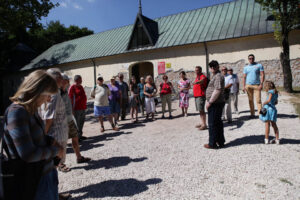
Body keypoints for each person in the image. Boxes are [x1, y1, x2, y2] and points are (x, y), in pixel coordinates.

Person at [3, 70, 63, 200]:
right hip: (34, 180)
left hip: (45, 174)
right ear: (36, 90)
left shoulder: (30, 109)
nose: (48, 99)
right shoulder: (17, 112)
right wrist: (56, 150)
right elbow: (27, 154)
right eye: (47, 95)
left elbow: (36, 136)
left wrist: (51, 140)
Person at [40, 68, 70, 175]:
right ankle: (54, 191)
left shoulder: (50, 92)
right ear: (55, 79)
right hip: (56, 135)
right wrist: (42, 137)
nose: (63, 80)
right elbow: (48, 119)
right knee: (53, 166)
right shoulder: (54, 94)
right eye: (60, 78)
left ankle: (54, 191)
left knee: (54, 166)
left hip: (56, 134)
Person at [61, 74, 91, 164]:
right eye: (66, 80)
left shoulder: (65, 90)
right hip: (62, 120)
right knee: (63, 141)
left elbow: (69, 102)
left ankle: (79, 157)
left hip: (69, 118)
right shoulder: (57, 92)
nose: (69, 82)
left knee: (75, 137)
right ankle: (61, 163)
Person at [204, 60, 225, 149]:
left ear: (217, 66)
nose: (212, 68)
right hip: (216, 103)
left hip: (216, 103)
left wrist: (210, 102)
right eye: (211, 66)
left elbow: (217, 90)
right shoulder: (216, 76)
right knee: (217, 122)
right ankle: (220, 141)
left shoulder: (218, 76)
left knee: (212, 123)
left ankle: (212, 143)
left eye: (214, 66)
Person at [68, 75, 87, 141]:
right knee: (77, 123)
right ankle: (76, 138)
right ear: (77, 80)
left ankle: (80, 135)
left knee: (81, 122)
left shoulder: (81, 86)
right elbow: (70, 98)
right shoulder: (72, 87)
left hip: (83, 107)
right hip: (76, 109)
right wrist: (71, 109)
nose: (81, 81)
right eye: (80, 79)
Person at [193, 66, 208, 130]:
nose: (196, 71)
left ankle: (204, 124)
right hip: (197, 96)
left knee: (202, 110)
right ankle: (202, 123)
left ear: (200, 70)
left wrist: (196, 82)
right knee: (200, 110)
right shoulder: (197, 77)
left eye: (197, 70)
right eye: (195, 70)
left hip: (200, 96)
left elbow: (202, 80)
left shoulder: (202, 76)